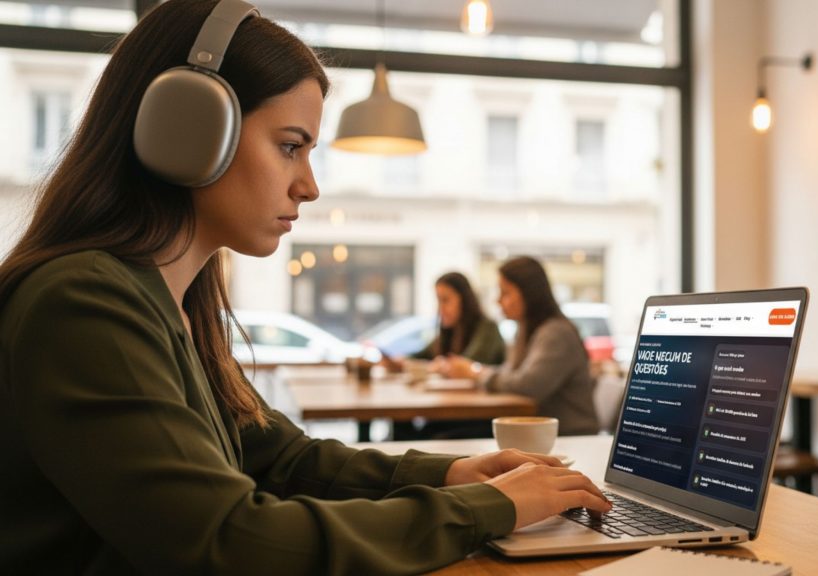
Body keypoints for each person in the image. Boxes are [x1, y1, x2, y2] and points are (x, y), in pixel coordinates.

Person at [0, 1, 610, 574]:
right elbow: (229, 542)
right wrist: (491, 507)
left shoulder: (173, 305)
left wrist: (457, 473)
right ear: (187, 130)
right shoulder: (84, 304)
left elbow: (285, 460)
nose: (309, 186)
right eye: (291, 147)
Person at [444, 256, 600, 436]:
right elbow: (512, 374)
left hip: (567, 436)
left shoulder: (556, 333)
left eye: (505, 293)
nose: (498, 301)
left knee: (446, 436)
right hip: (537, 430)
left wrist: (475, 372)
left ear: (529, 293)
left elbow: (527, 385)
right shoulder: (527, 330)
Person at [408, 271, 505, 366]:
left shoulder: (487, 328)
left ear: (464, 300)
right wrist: (402, 362)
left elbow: (468, 364)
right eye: (438, 301)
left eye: (445, 300)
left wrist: (441, 365)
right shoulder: (450, 331)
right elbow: (420, 356)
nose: (440, 308)